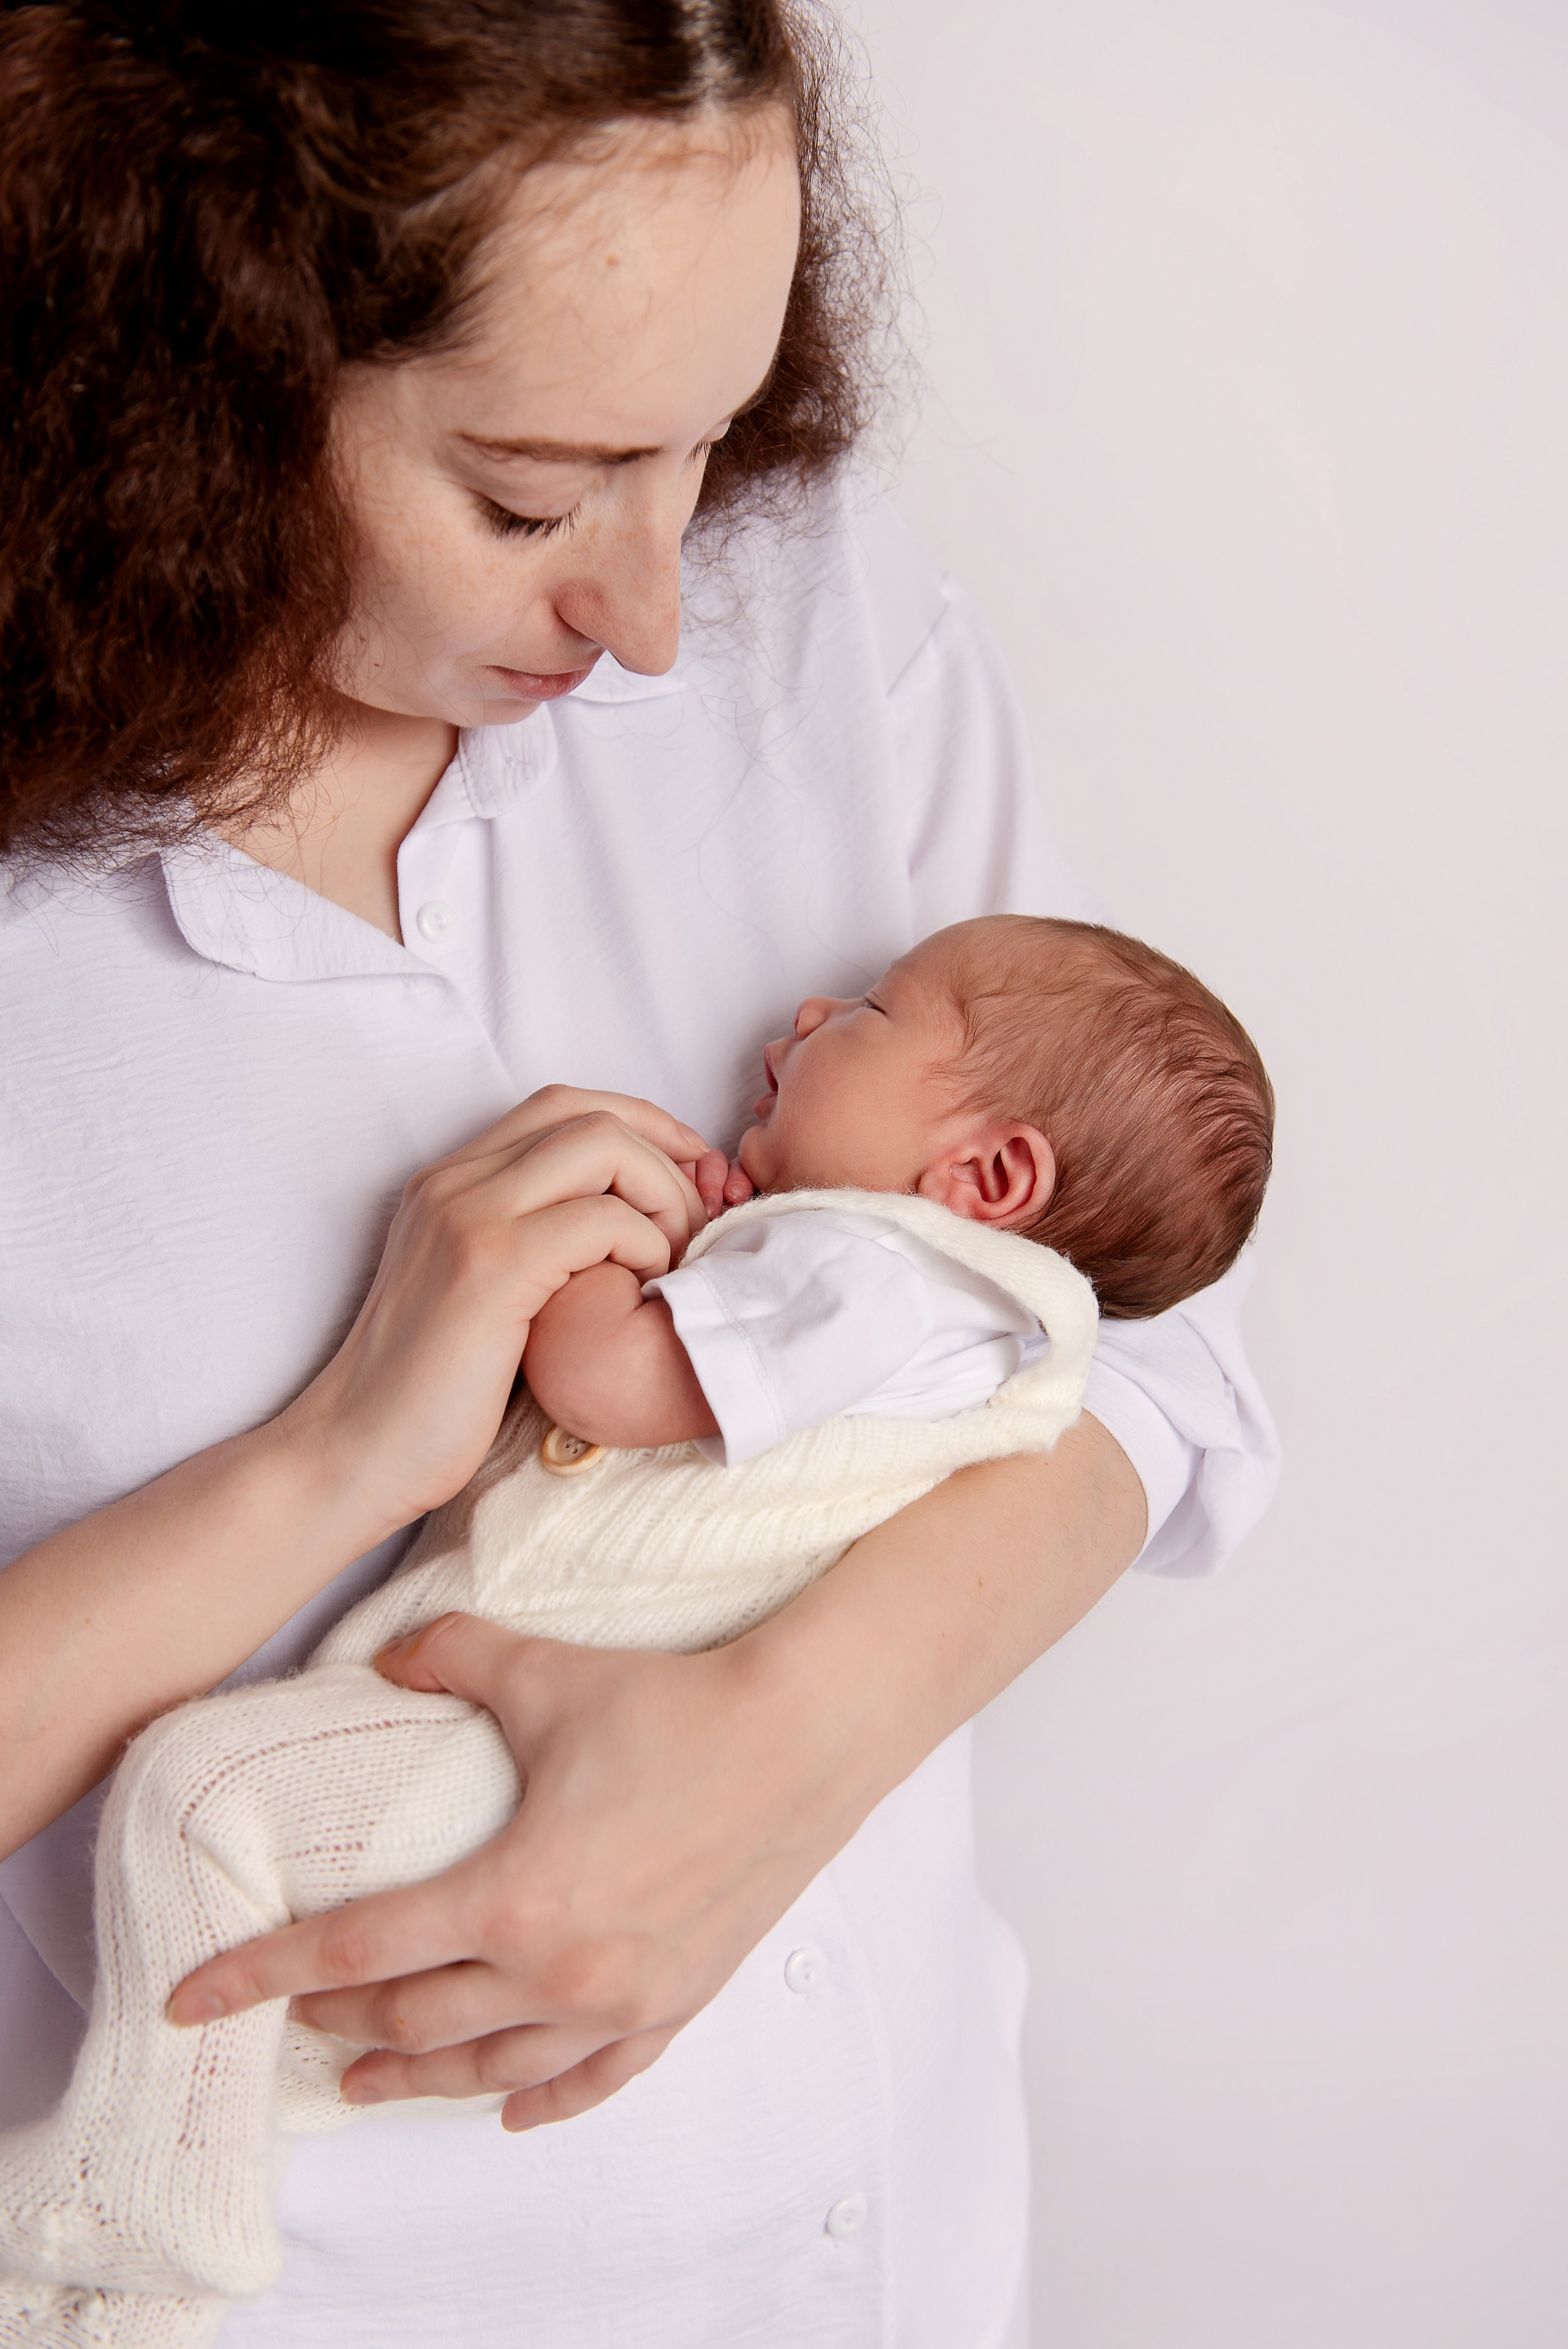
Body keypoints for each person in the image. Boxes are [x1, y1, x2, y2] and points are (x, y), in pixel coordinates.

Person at [0, 7, 1280, 2345]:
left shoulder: (813, 598)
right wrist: (331, 1457)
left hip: (892, 2268)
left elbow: (1149, 1339)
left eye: (712, 440)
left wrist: (781, 1746)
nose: (663, 612)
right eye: (530, 496)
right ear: (175, 366)